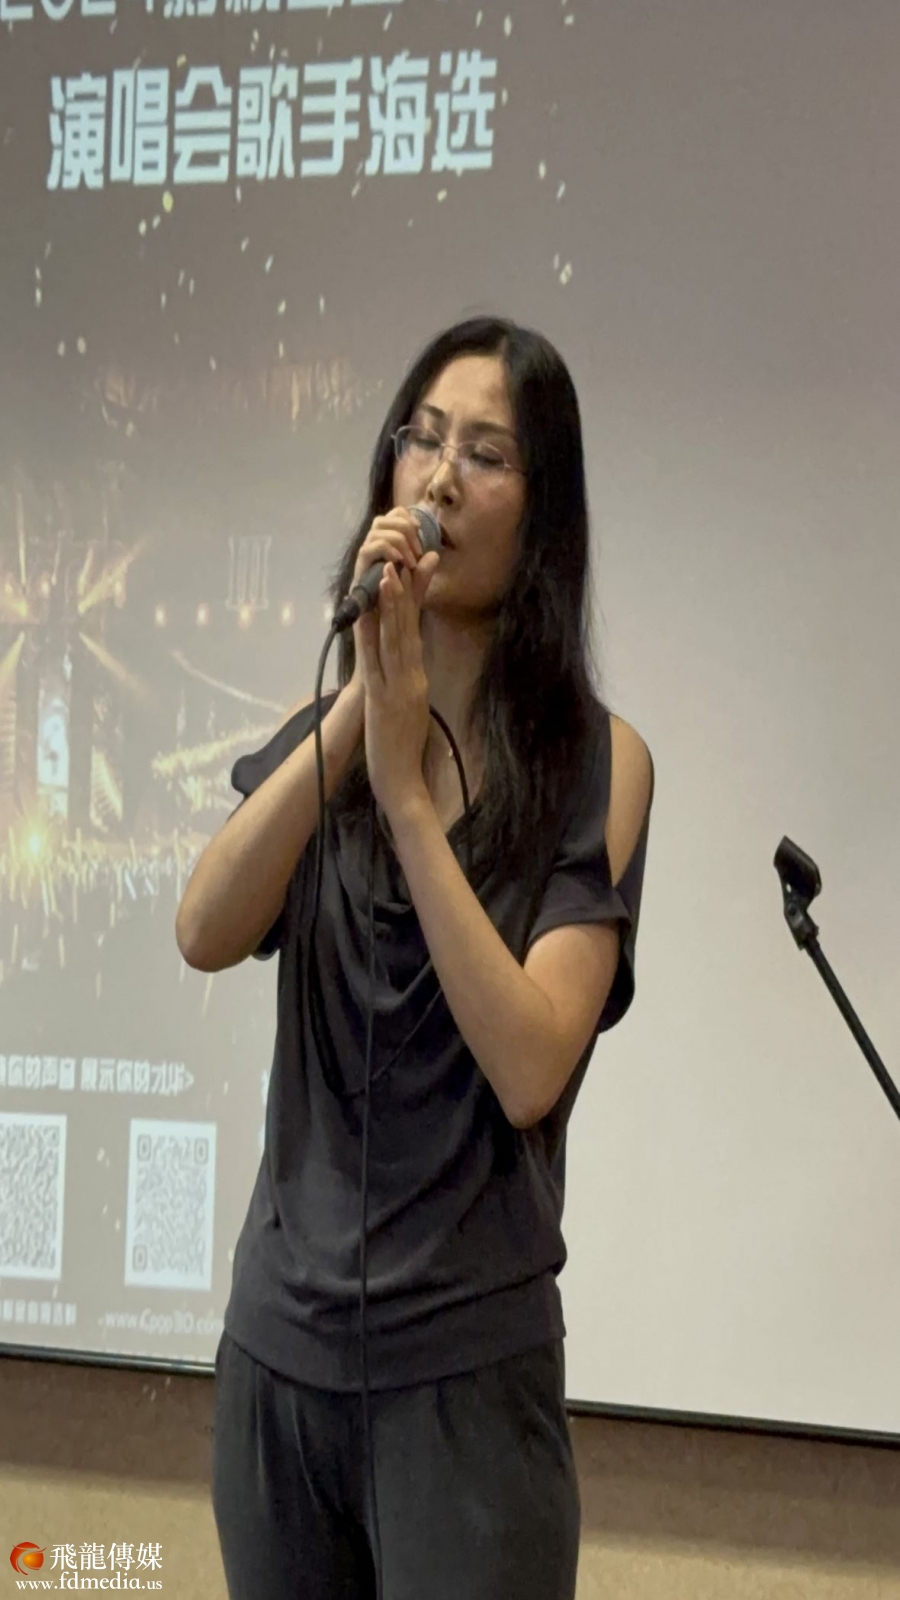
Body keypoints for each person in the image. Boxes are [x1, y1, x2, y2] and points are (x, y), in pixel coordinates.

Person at [175, 315, 654, 1600]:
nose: (439, 478)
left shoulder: (596, 763)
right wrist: (363, 702)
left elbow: (531, 1064)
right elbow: (203, 928)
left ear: (542, 513)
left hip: (465, 1380)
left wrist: (406, 800)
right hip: (279, 1360)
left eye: (485, 455)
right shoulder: (331, 733)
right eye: (423, 439)